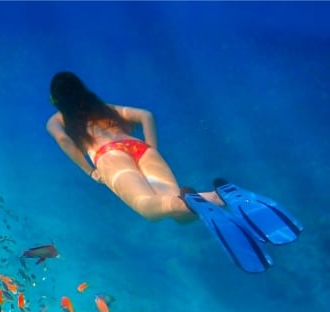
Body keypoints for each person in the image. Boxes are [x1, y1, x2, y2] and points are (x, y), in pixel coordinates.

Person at [46, 71, 303, 273]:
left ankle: (208, 198)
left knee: (150, 210)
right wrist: (150, 149)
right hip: (142, 149)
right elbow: (146, 115)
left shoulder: (58, 119)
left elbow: (63, 141)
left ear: (57, 100)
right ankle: (217, 196)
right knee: (179, 212)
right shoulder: (103, 108)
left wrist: (90, 171)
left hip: (108, 156)